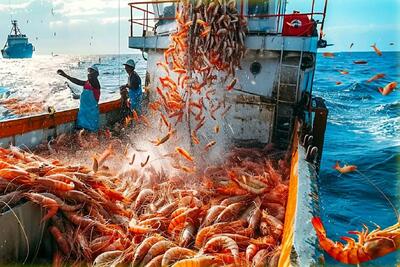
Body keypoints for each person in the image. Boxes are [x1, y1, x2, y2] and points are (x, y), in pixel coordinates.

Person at [57, 65, 101, 132]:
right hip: (83, 112)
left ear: (96, 74)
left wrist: (92, 76)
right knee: (80, 131)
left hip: (91, 114)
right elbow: (76, 81)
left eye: (92, 71)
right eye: (89, 71)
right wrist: (65, 75)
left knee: (91, 133)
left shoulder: (96, 84)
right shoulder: (87, 83)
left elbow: (93, 79)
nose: (89, 73)